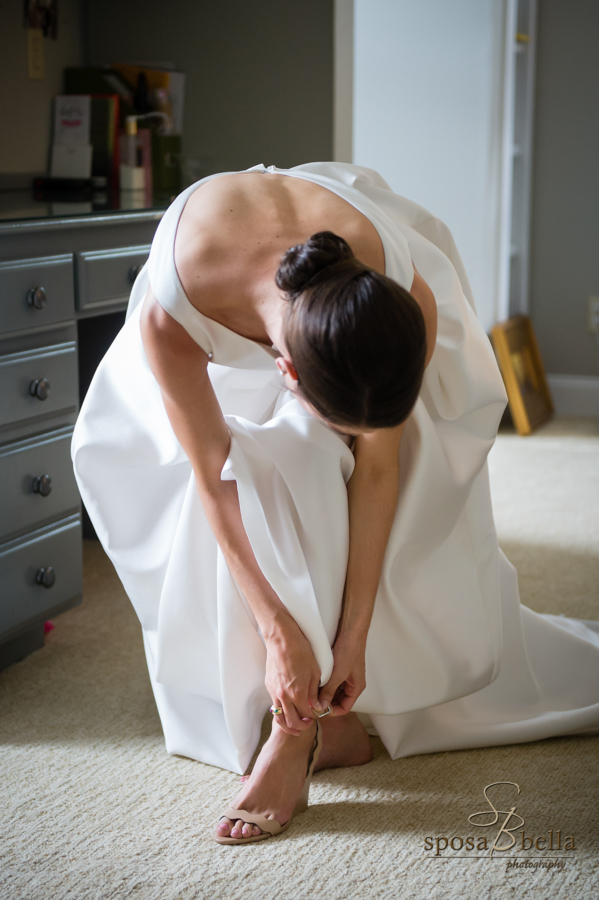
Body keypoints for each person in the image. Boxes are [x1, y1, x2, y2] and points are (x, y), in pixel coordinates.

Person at [72, 162, 599, 846]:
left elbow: (379, 473)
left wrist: (353, 638)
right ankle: (298, 731)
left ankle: (308, 729)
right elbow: (211, 477)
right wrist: (276, 632)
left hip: (345, 290)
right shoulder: (176, 310)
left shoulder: (400, 297)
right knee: (281, 467)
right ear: (282, 371)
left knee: (323, 463)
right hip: (214, 321)